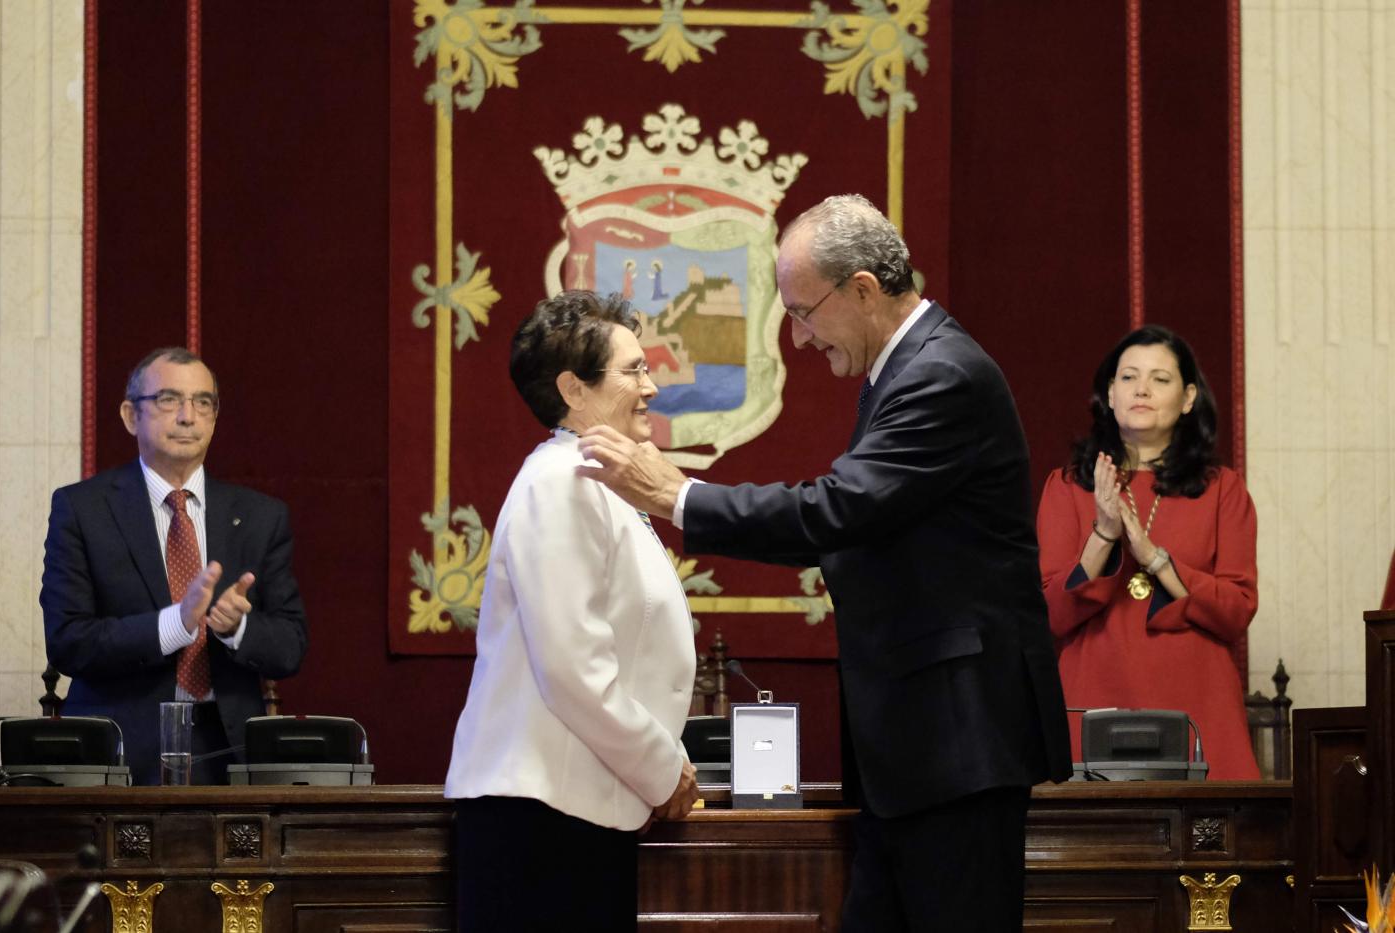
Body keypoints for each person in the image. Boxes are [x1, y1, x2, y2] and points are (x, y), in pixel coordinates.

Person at [576, 194, 1072, 932]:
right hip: (920, 754)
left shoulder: (943, 374)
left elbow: (838, 510)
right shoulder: (902, 369)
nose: (800, 339)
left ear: (864, 289)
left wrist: (678, 495)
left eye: (804, 311)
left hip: (958, 748)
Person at [444, 291, 699, 932]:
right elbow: (573, 668)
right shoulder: (561, 483)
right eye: (634, 370)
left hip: (572, 810)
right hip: (540, 821)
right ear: (572, 389)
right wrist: (662, 770)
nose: (652, 387)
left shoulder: (588, 479)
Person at [40, 347, 308, 786]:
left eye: (203, 403)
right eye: (168, 400)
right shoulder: (83, 509)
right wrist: (175, 624)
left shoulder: (261, 516)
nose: (188, 416)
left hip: (230, 755)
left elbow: (291, 645)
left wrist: (236, 629)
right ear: (130, 416)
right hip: (119, 753)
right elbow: (68, 641)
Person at [1036, 325, 1260, 779]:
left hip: (1198, 699)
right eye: (1128, 378)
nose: (1142, 389)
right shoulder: (1067, 486)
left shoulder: (1223, 490)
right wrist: (1104, 533)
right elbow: (1051, 615)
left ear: (1188, 397)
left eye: (1160, 379)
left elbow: (1236, 611)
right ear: (1109, 395)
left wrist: (1154, 557)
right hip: (1092, 695)